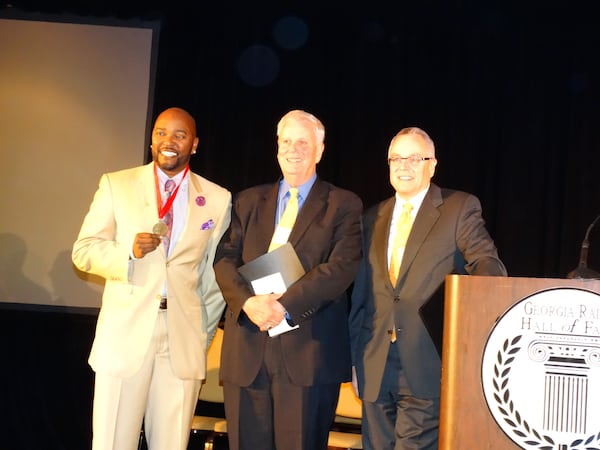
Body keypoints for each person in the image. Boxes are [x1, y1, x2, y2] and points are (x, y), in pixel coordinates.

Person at [72, 107, 231, 450]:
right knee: (113, 442)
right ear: (151, 139)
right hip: (126, 335)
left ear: (195, 144)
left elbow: (212, 280)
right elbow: (83, 251)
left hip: (181, 339)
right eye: (161, 133)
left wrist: (199, 336)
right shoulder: (118, 183)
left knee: (171, 444)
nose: (168, 141)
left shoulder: (217, 199)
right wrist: (126, 253)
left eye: (179, 135)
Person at [349, 127, 507, 450]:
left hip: (427, 363)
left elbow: (489, 266)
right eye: (396, 158)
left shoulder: (459, 208)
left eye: (414, 158)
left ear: (432, 165)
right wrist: (355, 359)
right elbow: (362, 296)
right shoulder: (371, 217)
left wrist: (469, 327)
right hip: (375, 363)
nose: (403, 166)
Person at [213, 109, 363, 450]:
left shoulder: (343, 204)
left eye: (303, 142)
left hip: (307, 354)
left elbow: (340, 268)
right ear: (276, 147)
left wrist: (282, 307)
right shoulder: (248, 201)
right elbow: (224, 260)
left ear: (320, 150)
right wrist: (249, 303)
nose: (293, 149)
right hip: (248, 348)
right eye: (286, 141)